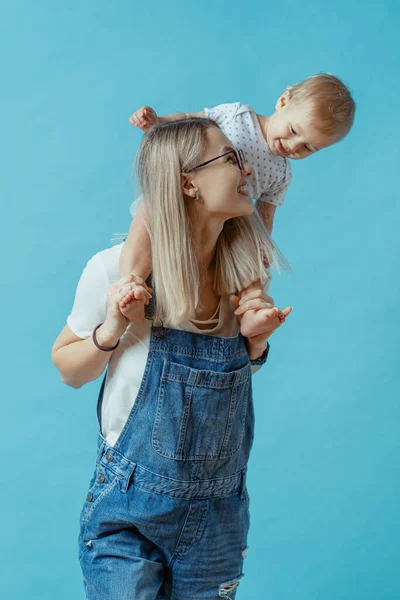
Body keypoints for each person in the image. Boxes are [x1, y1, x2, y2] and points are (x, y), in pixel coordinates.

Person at [52, 116, 292, 599]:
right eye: (230, 158)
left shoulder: (243, 283)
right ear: (188, 182)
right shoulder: (115, 270)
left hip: (217, 519)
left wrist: (256, 344)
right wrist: (113, 328)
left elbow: (226, 395)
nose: (249, 169)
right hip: (128, 516)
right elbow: (67, 369)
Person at [121, 73, 355, 316]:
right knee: (147, 216)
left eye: (308, 147)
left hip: (233, 221)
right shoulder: (238, 116)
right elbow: (191, 120)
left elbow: (266, 213)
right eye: (294, 130)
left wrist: (263, 246)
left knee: (250, 259)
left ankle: (253, 307)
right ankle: (131, 280)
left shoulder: (282, 173)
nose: (293, 146)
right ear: (284, 101)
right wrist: (159, 121)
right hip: (191, 195)